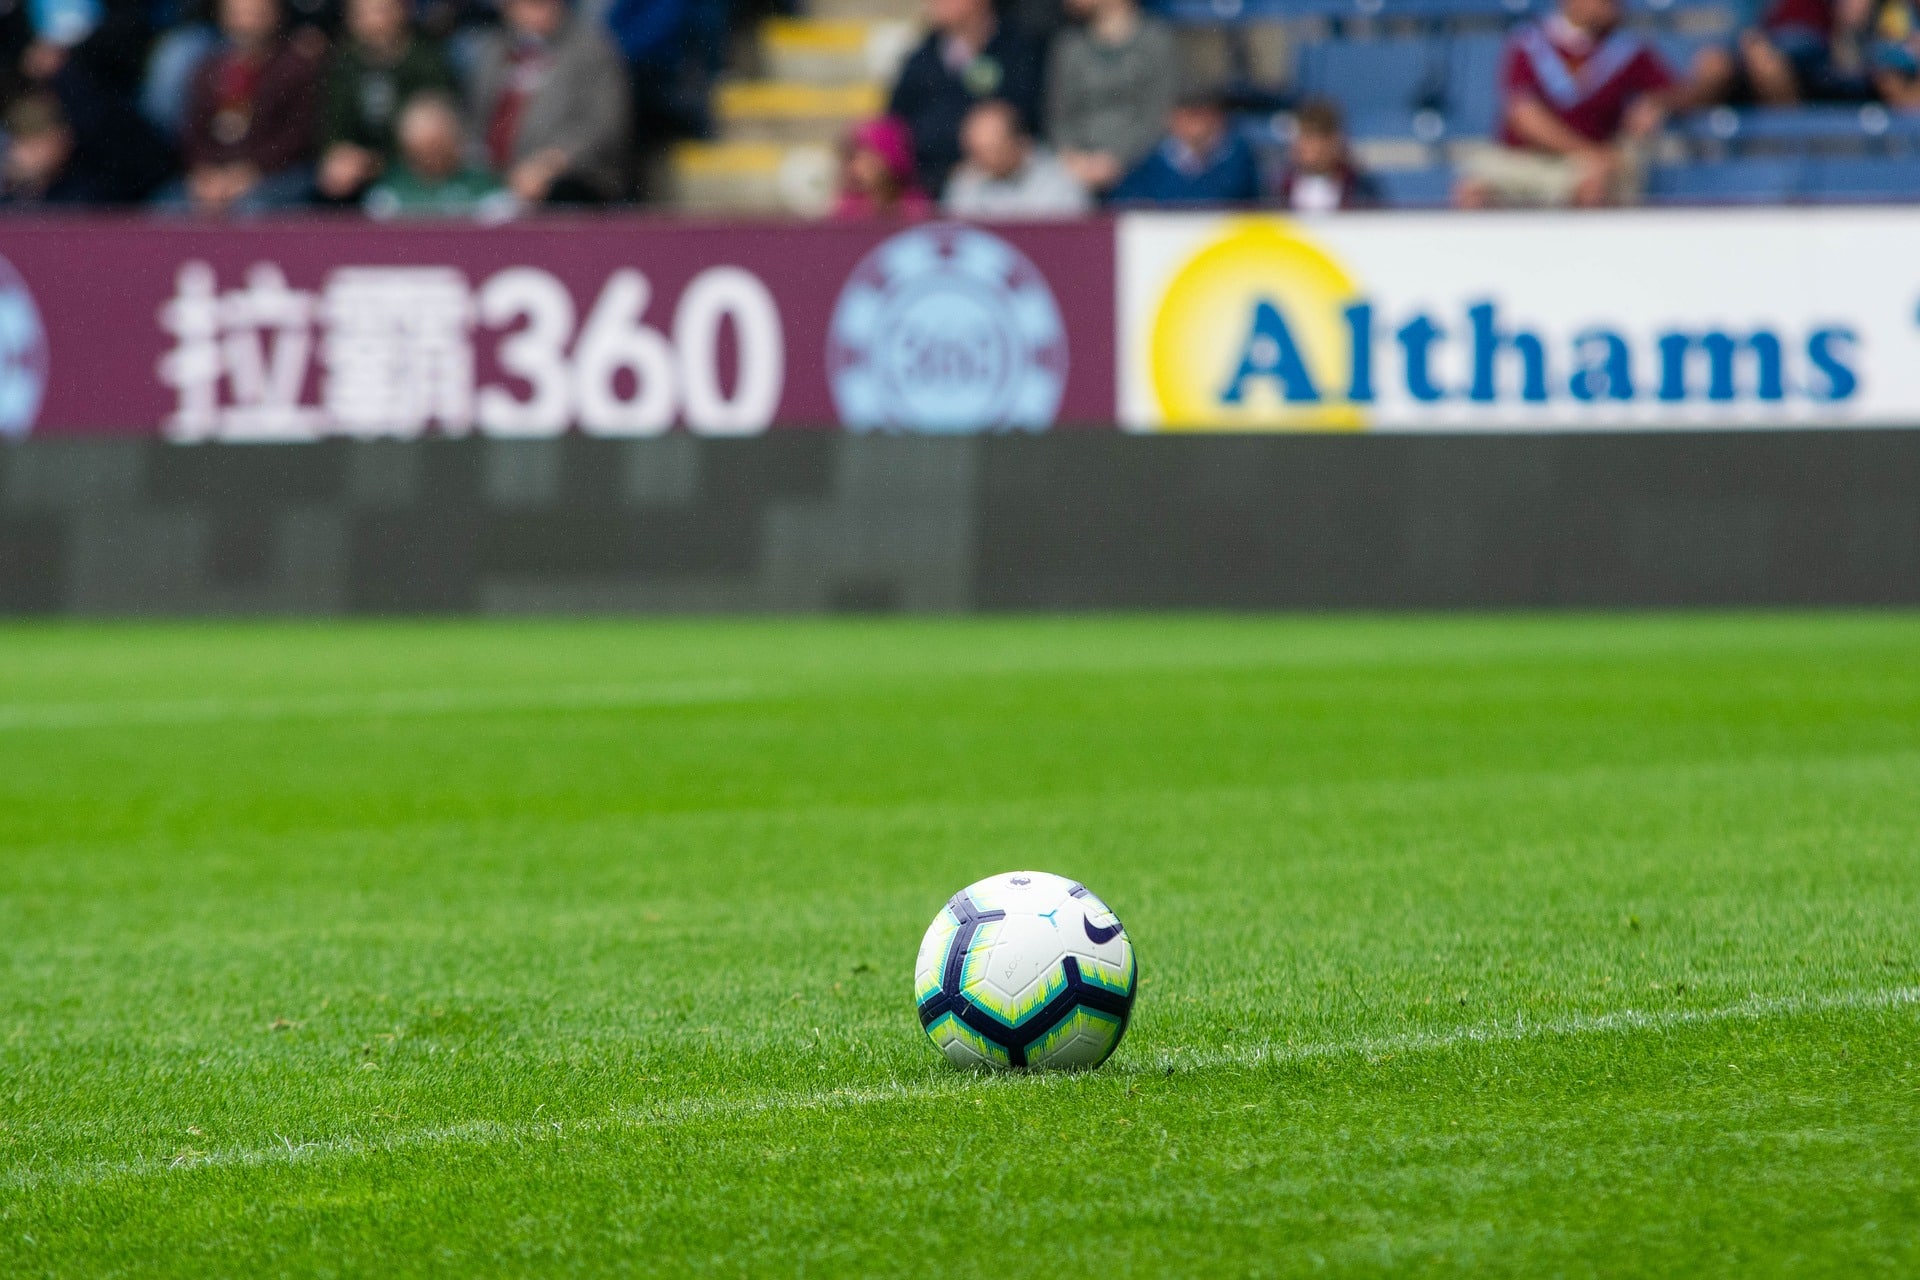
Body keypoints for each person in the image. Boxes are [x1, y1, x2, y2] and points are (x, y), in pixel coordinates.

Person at [1454, 0, 1680, 208]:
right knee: (1473, 191)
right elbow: (1525, 116)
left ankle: (1592, 251)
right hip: (1524, 158)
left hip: (1585, 167)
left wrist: (1657, 103)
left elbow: (1673, 94)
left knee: (1596, 186)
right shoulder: (1530, 43)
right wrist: (1587, 152)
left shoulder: (1628, 50)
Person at [468, 0, 630, 205]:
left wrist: (550, 163)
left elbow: (605, 127)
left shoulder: (592, 49)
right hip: (495, 181)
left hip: (570, 180)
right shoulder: (493, 49)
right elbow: (474, 122)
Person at [171, 0, 323, 214]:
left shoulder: (295, 69)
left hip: (277, 175)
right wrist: (204, 173)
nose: (247, 22)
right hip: (215, 177)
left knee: (251, 210)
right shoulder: (206, 69)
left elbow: (298, 136)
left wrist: (252, 171)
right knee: (167, 208)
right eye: (239, 13)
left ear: (275, 15)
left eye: (256, 13)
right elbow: (193, 132)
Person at [887, 0, 1046, 194]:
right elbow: (895, 126)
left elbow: (1035, 118)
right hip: (930, 191)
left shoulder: (1021, 48)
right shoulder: (920, 59)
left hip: (1012, 188)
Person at [315, 0, 458, 203]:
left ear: (401, 12)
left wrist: (374, 162)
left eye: (380, 11)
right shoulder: (345, 64)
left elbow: (433, 134)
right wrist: (338, 154)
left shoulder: (427, 62)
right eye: (362, 14)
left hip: (412, 169)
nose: (373, 21)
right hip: (355, 167)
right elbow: (334, 125)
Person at [1045, 0, 1178, 196]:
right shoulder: (1069, 46)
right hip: (1075, 168)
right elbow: (1058, 114)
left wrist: (1119, 159)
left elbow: (1160, 113)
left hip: (1143, 163)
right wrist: (1073, 158)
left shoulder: (1156, 40)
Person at [363, 91, 514, 218]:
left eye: (436, 144)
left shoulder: (484, 188)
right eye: (421, 148)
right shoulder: (388, 194)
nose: (430, 156)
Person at [1108, 87, 1261, 205]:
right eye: (1191, 116)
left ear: (1218, 117)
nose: (1198, 126)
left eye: (1204, 115)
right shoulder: (1149, 163)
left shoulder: (1240, 159)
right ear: (1173, 118)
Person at [943, 98, 1090, 218]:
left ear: (1020, 143)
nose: (982, 162)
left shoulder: (1060, 183)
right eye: (976, 153)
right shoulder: (965, 181)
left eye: (993, 151)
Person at [1691, 0, 1847, 107]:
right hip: (1760, 45)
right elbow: (1743, 28)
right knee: (1713, 62)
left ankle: (1789, 142)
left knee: (1765, 63)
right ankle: (1674, 110)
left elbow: (1849, 19)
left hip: (1806, 49)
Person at [1271, 98, 1378, 212]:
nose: (1302, 145)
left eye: (1310, 136)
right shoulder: (1278, 191)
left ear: (1333, 141)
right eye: (1299, 136)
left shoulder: (1361, 190)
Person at [832, 115, 934, 219]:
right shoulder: (847, 210)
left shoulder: (917, 208)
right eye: (850, 158)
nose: (853, 167)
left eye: (861, 158)